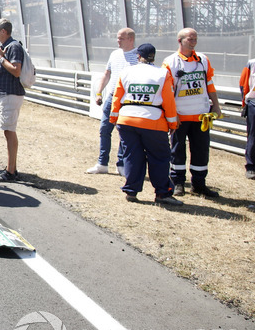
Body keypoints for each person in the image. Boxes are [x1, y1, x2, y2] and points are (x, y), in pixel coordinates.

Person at [110, 43, 182, 205]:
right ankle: (163, 194)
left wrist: (114, 118)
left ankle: (131, 190)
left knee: (132, 155)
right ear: (153, 56)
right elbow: (169, 101)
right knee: (159, 158)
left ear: (138, 56)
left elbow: (117, 96)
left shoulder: (126, 71)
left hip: (127, 118)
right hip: (153, 120)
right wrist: (172, 123)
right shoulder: (163, 74)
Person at [162, 28, 221, 198]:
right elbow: (168, 91)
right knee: (177, 150)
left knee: (201, 150)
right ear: (180, 41)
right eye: (190, 38)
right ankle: (178, 183)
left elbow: (209, 84)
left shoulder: (203, 60)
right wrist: (173, 114)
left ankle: (199, 185)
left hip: (201, 115)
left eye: (195, 38)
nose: (194, 41)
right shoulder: (170, 62)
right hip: (180, 116)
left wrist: (216, 105)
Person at [87, 28, 138, 175]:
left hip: (127, 99)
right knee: (104, 129)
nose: (118, 41)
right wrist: (99, 92)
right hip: (112, 96)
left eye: (121, 38)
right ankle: (102, 163)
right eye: (117, 38)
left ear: (130, 39)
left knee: (124, 132)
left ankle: (121, 164)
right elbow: (107, 74)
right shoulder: (114, 54)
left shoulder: (137, 56)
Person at [0, 18, 25, 182]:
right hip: (6, 94)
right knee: (7, 130)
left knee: (9, 130)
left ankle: (11, 171)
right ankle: (10, 167)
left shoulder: (13, 47)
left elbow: (16, 71)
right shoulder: (7, 47)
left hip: (10, 93)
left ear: (3, 31)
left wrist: (0, 58)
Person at [240, 57, 255, 180]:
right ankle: (251, 167)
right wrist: (244, 103)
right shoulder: (252, 63)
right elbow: (243, 84)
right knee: (253, 136)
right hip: (254, 103)